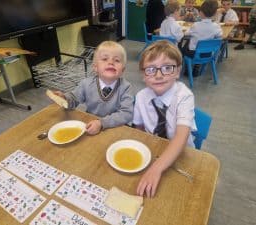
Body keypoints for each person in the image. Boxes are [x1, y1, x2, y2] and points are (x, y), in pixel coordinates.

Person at [133, 40, 197, 198]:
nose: (159, 75)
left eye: (167, 68)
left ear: (178, 71)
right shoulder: (141, 97)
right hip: (153, 150)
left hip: (182, 154)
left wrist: (156, 168)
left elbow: (181, 137)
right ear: (144, 76)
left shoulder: (184, 96)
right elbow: (139, 129)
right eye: (151, 69)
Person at [51, 41, 134, 135]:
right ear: (95, 67)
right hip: (91, 126)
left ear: (122, 70)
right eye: (105, 59)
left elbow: (127, 114)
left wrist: (102, 123)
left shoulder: (126, 87)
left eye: (117, 60)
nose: (111, 62)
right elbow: (74, 98)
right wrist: (64, 99)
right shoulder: (86, 83)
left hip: (115, 128)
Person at [182, 0, 222, 76]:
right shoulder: (216, 26)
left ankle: (188, 67)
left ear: (200, 13)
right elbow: (220, 35)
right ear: (214, 14)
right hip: (208, 54)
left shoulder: (196, 25)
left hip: (193, 54)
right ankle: (197, 66)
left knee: (185, 45)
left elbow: (186, 33)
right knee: (198, 45)